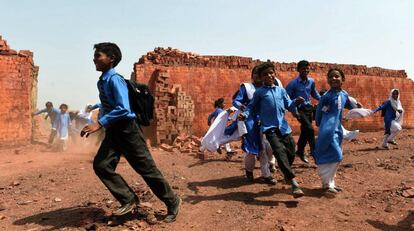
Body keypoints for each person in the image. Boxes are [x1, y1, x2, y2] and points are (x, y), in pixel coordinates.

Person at [81, 42, 180, 222]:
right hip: (114, 131)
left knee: (147, 170)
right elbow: (110, 104)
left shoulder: (115, 79)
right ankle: (128, 199)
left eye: (98, 56)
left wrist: (99, 123)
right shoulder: (102, 81)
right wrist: (100, 114)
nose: (94, 59)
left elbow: (124, 108)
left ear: (111, 59)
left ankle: (173, 201)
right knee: (102, 165)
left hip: (128, 130)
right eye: (94, 55)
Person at [240, 62, 305, 197]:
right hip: (270, 128)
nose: (269, 76)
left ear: (275, 74)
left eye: (271, 73)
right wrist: (244, 115)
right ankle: (293, 183)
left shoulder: (281, 91)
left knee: (291, 150)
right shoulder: (259, 93)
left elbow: (289, 105)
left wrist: (296, 103)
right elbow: (251, 108)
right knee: (279, 151)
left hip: (284, 127)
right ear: (261, 77)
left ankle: (286, 170)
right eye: (265, 74)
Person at [314, 68, 358, 197]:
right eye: (331, 77)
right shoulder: (326, 96)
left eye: (337, 76)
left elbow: (347, 104)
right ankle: (326, 182)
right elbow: (318, 113)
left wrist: (357, 106)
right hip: (327, 130)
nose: (334, 79)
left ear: (342, 79)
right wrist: (320, 123)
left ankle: (330, 183)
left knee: (336, 156)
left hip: (338, 129)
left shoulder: (344, 94)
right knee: (337, 155)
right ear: (328, 80)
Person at [233, 64, 276, 185]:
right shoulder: (247, 87)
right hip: (249, 121)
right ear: (252, 76)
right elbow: (236, 100)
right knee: (252, 149)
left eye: (259, 74)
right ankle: (249, 170)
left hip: (264, 120)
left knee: (266, 147)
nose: (258, 76)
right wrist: (240, 106)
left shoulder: (268, 88)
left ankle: (266, 174)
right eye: (255, 74)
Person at [286, 60, 321, 163]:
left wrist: (323, 99)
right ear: (298, 70)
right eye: (303, 69)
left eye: (307, 68)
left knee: (305, 130)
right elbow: (286, 98)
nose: (306, 70)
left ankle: (300, 151)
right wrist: (294, 105)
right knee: (310, 129)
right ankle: (314, 153)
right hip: (299, 109)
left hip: (309, 108)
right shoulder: (293, 84)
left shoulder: (311, 81)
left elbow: (314, 93)